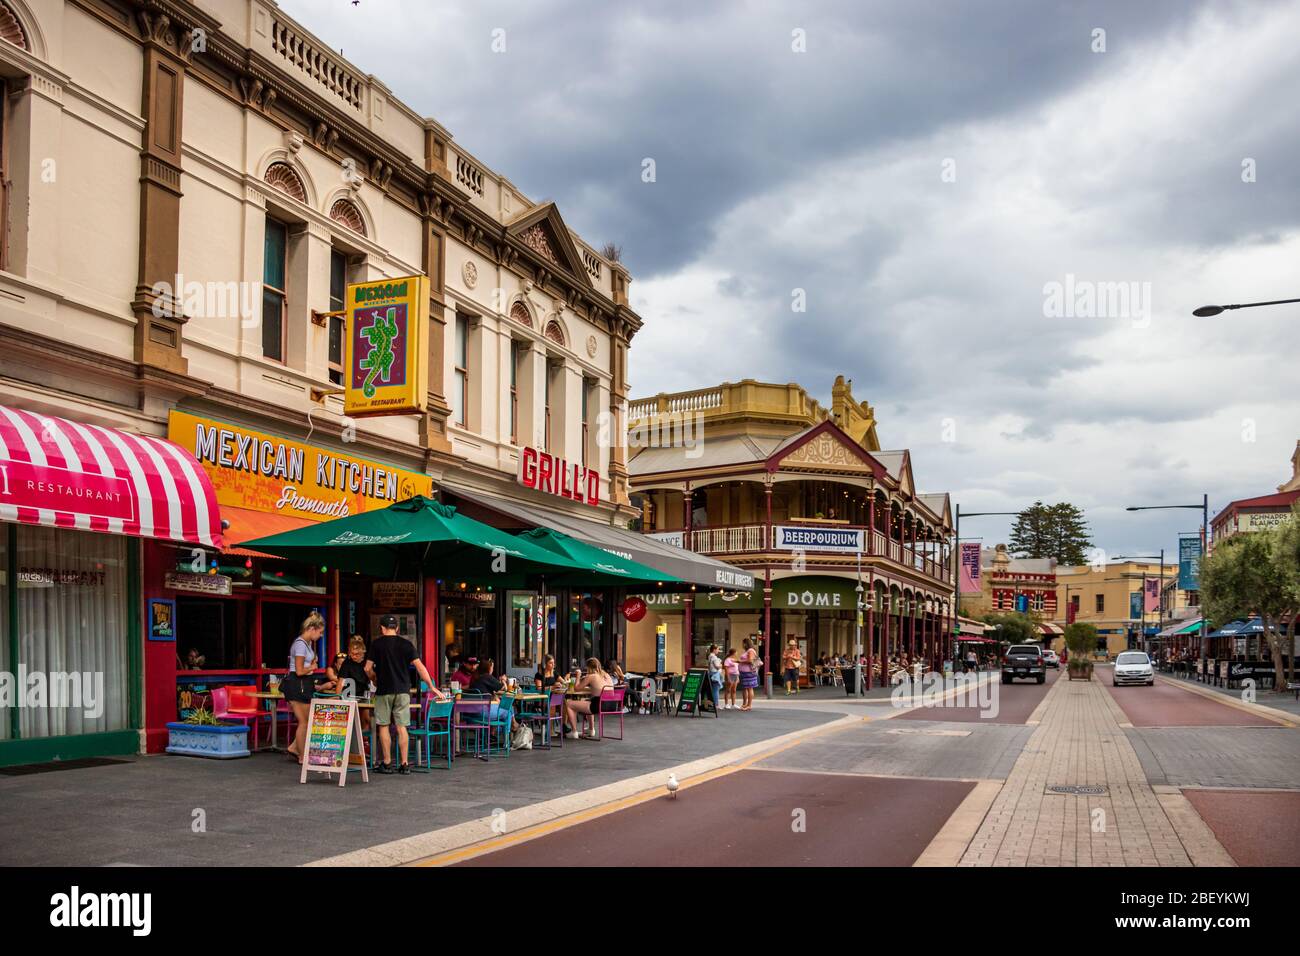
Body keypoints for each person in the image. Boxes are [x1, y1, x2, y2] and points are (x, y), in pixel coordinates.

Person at [366, 614, 444, 775]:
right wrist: (431, 687)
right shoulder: (407, 645)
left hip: (384, 690)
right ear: (397, 628)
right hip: (402, 690)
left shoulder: (376, 644)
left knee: (384, 726)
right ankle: (404, 763)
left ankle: (387, 763)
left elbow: (367, 668)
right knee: (402, 727)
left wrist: (374, 679)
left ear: (381, 628)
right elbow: (420, 667)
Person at [283, 611, 325, 765]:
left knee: (307, 721)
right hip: (297, 683)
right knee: (304, 722)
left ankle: (295, 747)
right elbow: (299, 670)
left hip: (303, 684)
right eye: (320, 632)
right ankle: (302, 755)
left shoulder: (306, 644)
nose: (320, 636)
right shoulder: (300, 644)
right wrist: (312, 666)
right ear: (312, 628)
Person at [564, 658, 613, 739]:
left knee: (569, 704)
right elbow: (599, 688)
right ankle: (591, 729)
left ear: (589, 668)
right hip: (611, 704)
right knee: (587, 701)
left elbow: (576, 688)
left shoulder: (591, 676)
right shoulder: (606, 674)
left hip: (599, 705)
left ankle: (574, 732)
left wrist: (578, 676)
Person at [737, 638, 759, 711]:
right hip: (744, 672)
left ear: (746, 643)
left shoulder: (751, 650)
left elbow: (750, 660)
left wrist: (740, 661)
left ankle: (749, 705)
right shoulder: (747, 651)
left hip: (749, 672)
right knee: (745, 688)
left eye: (743, 643)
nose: (742, 645)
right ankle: (744, 704)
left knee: (749, 688)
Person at [706, 644, 723, 712]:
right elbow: (717, 666)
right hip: (715, 674)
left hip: (710, 674)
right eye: (718, 649)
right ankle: (716, 705)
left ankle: (712, 704)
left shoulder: (709, 656)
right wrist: (721, 665)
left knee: (712, 690)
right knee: (716, 690)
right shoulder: (714, 657)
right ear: (714, 650)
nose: (718, 651)